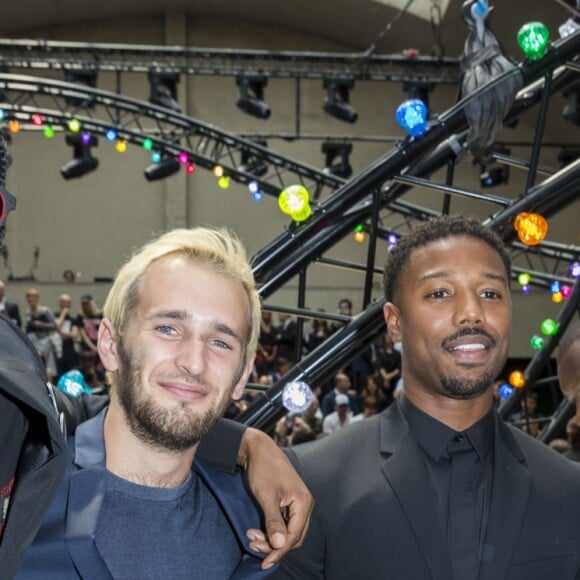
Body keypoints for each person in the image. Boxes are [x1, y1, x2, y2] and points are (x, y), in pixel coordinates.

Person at [0, 129, 312, 579]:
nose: (194, 361)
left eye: (220, 341)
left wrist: (250, 442)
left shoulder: (264, 527)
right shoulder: (26, 489)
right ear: (110, 344)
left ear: (244, 375)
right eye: (168, 327)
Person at [275, 215, 580, 580]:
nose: (472, 313)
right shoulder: (313, 480)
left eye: (490, 294)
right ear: (394, 322)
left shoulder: (568, 489)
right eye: (440, 293)